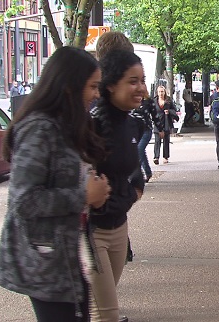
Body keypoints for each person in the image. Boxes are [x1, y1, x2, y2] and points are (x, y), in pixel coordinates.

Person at [0, 46, 111, 322]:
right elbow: (24, 201)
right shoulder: (39, 129)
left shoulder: (64, 125)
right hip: (44, 260)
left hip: (64, 256)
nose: (96, 94)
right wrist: (83, 194)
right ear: (69, 86)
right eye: (92, 86)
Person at [89, 49, 146, 322]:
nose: (141, 88)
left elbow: (131, 172)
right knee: (105, 314)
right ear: (111, 85)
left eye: (142, 80)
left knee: (101, 310)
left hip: (119, 228)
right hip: (92, 232)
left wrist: (134, 191)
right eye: (132, 81)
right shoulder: (91, 126)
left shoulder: (132, 124)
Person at [132, 89, 157, 182]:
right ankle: (137, 175)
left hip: (146, 129)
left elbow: (155, 116)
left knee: (139, 149)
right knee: (134, 151)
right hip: (134, 130)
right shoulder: (131, 100)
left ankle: (147, 172)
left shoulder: (148, 102)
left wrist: (160, 129)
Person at [153, 85, 178, 165]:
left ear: (165, 92)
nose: (160, 93)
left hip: (166, 122)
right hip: (158, 123)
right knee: (157, 141)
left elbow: (175, 110)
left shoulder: (169, 100)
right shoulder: (154, 101)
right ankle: (156, 157)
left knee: (166, 140)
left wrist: (169, 111)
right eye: (159, 92)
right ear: (157, 92)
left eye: (162, 91)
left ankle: (165, 157)